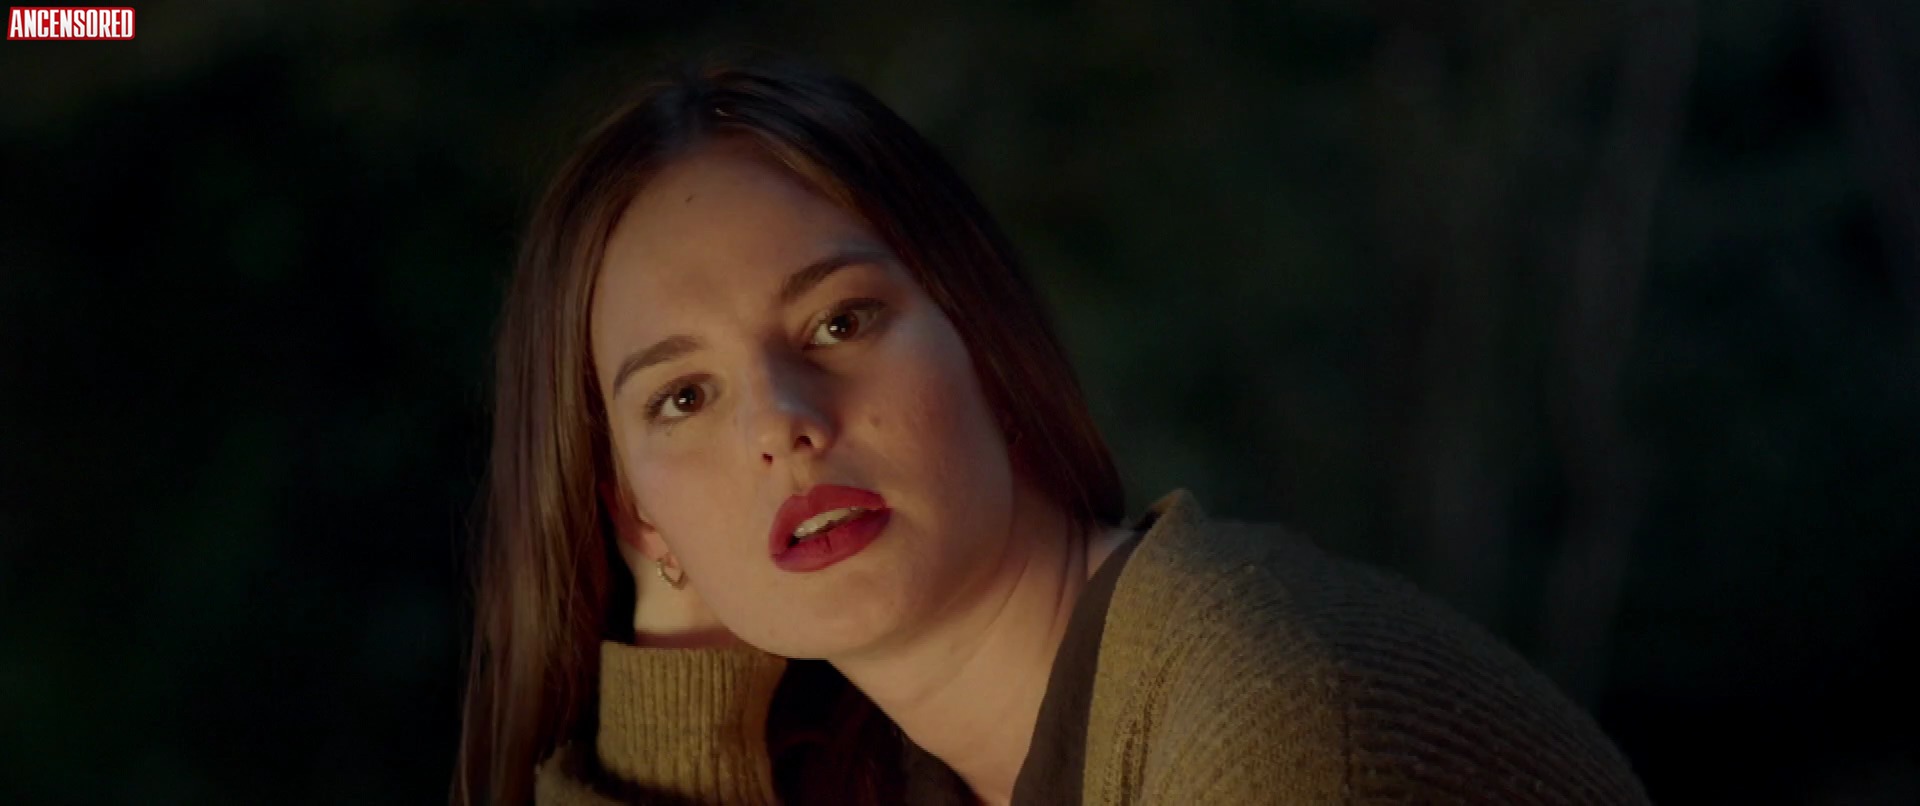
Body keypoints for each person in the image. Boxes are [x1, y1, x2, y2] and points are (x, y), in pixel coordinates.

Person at [453, 55, 1652, 806]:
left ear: (981, 332)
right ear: (635, 514)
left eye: (839, 321)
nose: (782, 424)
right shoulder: (912, 772)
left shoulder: (1276, 726)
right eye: (683, 397)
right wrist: (681, 661)